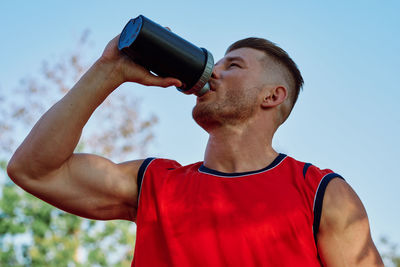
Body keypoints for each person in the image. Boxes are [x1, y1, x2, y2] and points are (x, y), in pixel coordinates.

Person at [7, 32, 383, 266]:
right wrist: (109, 70)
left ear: (273, 96)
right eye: (215, 63)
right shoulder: (155, 183)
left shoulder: (321, 193)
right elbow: (34, 170)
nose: (212, 72)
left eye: (232, 65)